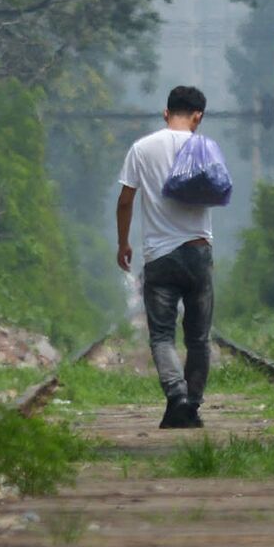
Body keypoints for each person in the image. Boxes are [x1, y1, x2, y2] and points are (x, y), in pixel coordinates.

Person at [115, 85, 216, 429]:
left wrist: (123, 243)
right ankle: (193, 404)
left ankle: (177, 396)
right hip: (199, 250)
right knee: (199, 337)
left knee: (161, 335)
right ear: (198, 116)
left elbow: (126, 200)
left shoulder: (141, 149)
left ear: (165, 112)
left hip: (159, 256)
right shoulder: (204, 148)